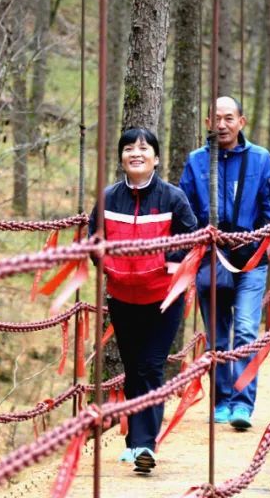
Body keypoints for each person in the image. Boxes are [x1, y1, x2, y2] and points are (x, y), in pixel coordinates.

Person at [87, 127, 198, 475]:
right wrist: (107, 264)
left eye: (144, 147)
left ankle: (146, 445)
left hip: (162, 300)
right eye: (129, 148)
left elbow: (192, 236)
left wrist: (174, 259)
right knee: (134, 370)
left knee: (151, 366)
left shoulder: (172, 198)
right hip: (122, 297)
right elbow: (93, 240)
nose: (137, 153)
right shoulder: (108, 198)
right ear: (121, 157)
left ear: (157, 157)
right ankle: (134, 443)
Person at [179, 96, 270, 431]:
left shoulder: (261, 159)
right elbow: (185, 211)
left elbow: (269, 210)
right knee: (218, 336)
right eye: (216, 118)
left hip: (251, 258)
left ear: (241, 122)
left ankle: (242, 404)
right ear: (208, 122)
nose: (222, 124)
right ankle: (222, 400)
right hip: (211, 257)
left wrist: (259, 241)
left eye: (229, 118)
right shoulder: (195, 162)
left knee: (247, 330)